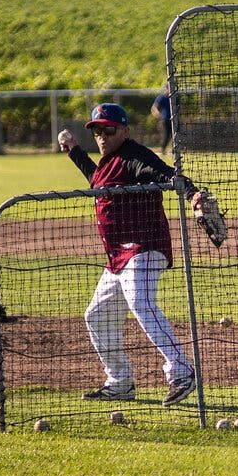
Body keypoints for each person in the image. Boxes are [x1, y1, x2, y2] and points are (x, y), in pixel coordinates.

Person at [58, 102, 202, 406]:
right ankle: (120, 381)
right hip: (118, 258)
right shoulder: (110, 162)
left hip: (144, 247)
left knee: (141, 302)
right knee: (96, 316)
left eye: (108, 129)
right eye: (97, 130)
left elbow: (166, 174)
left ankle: (182, 371)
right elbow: (97, 181)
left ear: (124, 130)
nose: (102, 135)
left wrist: (192, 194)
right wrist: (73, 151)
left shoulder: (135, 157)